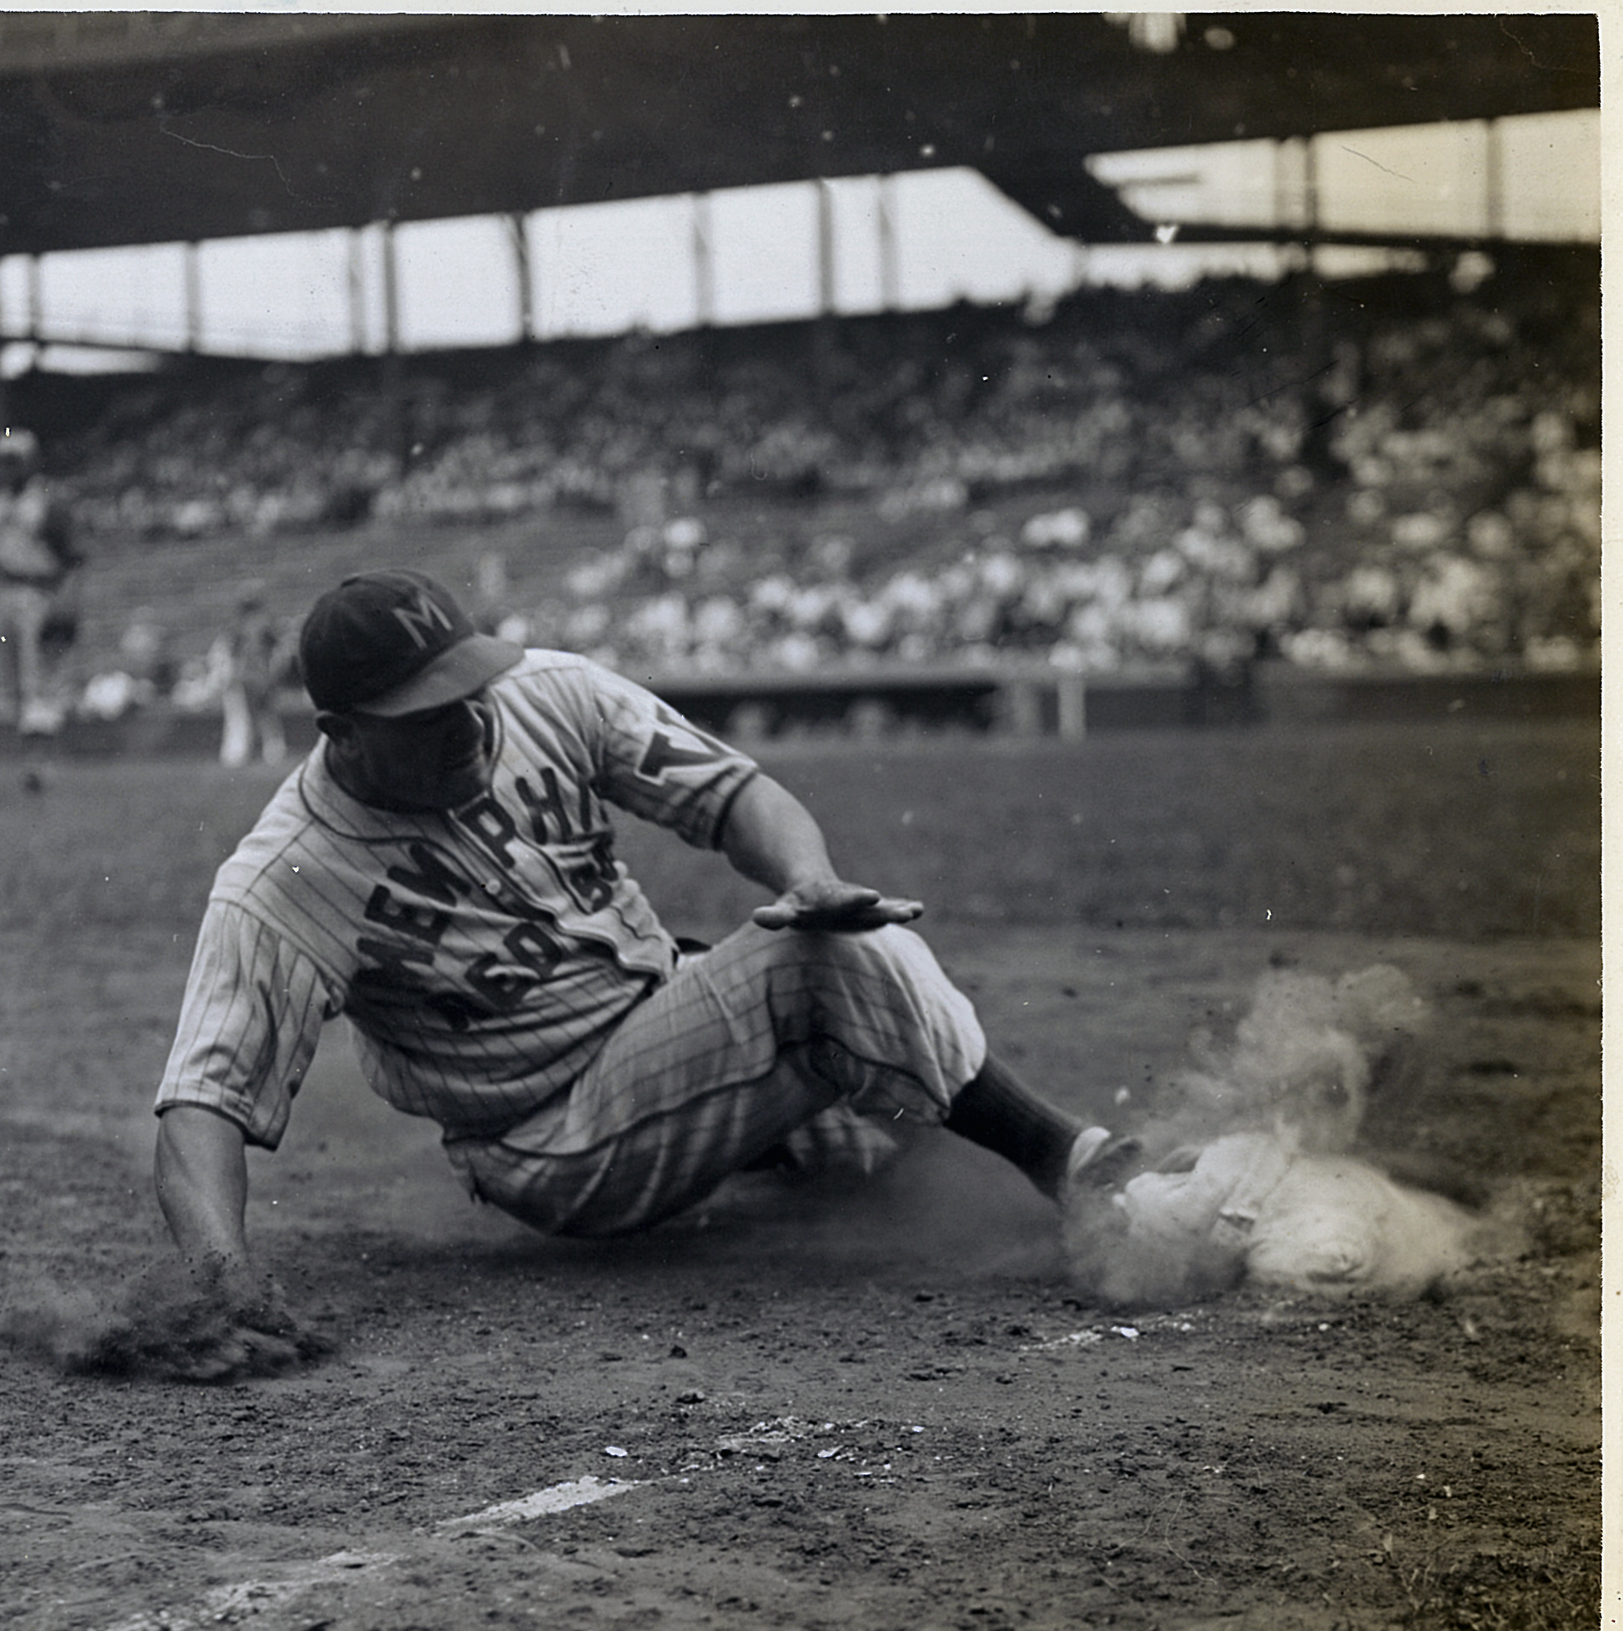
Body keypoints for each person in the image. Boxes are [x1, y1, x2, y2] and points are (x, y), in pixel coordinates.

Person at [150, 568, 1141, 1356]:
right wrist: (219, 1277)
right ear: (341, 735)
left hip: (661, 1020)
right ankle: (1076, 1169)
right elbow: (203, 1098)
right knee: (824, 972)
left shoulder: (550, 693)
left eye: (466, 685)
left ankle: (818, 1153)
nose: (463, 722)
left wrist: (807, 874)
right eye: (424, 712)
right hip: (548, 1136)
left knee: (904, 1124)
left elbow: (735, 795)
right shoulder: (284, 876)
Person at [0, 428, 83, 758]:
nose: (7, 469)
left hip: (39, 591)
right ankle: (30, 751)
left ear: (30, 462)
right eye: (2, 462)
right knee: (14, 677)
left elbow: (71, 558)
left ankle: (41, 754)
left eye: (14, 461)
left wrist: (66, 601)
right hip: (5, 591)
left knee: (37, 674)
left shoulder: (47, 502)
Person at [211, 578, 293, 769]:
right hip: (249, 677)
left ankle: (255, 753)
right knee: (250, 715)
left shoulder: (258, 625)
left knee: (258, 715)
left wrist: (273, 671)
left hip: (256, 676)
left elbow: (279, 650)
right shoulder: (242, 625)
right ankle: (248, 753)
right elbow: (230, 653)